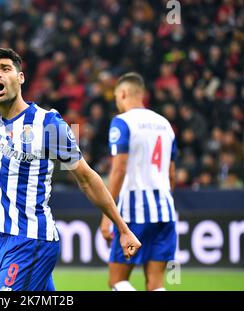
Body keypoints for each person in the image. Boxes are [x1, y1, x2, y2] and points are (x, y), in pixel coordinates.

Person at [0, 10, 141, 291]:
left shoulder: (48, 124)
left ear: (21, 77)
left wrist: (122, 228)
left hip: (30, 241)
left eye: (4, 68)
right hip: (6, 239)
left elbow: (87, 178)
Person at [100, 72, 177, 291]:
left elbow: (119, 169)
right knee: (156, 284)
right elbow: (171, 174)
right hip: (165, 210)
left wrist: (107, 215)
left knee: (117, 281)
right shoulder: (165, 124)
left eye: (116, 96)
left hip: (134, 210)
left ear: (123, 93)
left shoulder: (122, 122)